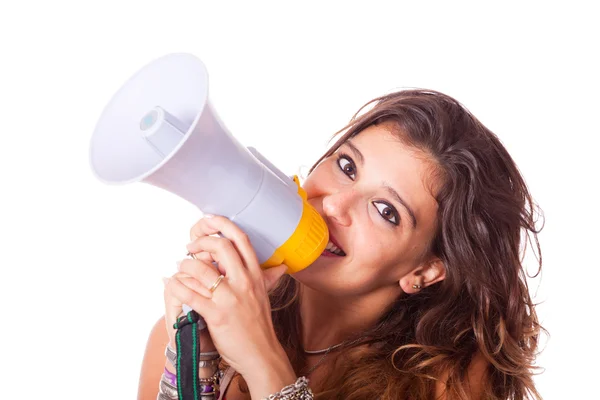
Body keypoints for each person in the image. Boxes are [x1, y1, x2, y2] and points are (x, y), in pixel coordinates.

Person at [137, 89, 544, 400]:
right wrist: (195, 359)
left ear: (424, 270)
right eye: (346, 167)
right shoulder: (185, 332)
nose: (333, 205)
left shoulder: (449, 381)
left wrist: (264, 361)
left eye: (385, 211)